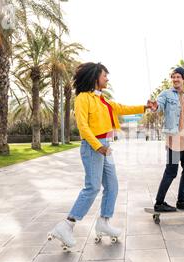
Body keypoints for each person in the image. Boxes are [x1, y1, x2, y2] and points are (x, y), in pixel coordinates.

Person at [49, 62, 155, 248]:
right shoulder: (83, 98)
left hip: (105, 146)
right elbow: (83, 126)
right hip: (93, 147)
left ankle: (103, 223)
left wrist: (144, 107)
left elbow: (121, 108)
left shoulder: (101, 99)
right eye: (105, 75)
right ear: (95, 77)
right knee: (92, 187)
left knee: (112, 186)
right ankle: (66, 225)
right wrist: (98, 147)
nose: (107, 78)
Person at [151, 67, 184, 213]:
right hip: (174, 140)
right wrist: (154, 106)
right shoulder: (166, 94)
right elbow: (159, 105)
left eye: (178, 77)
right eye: (173, 77)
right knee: (171, 172)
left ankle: (182, 201)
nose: (175, 79)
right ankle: (159, 202)